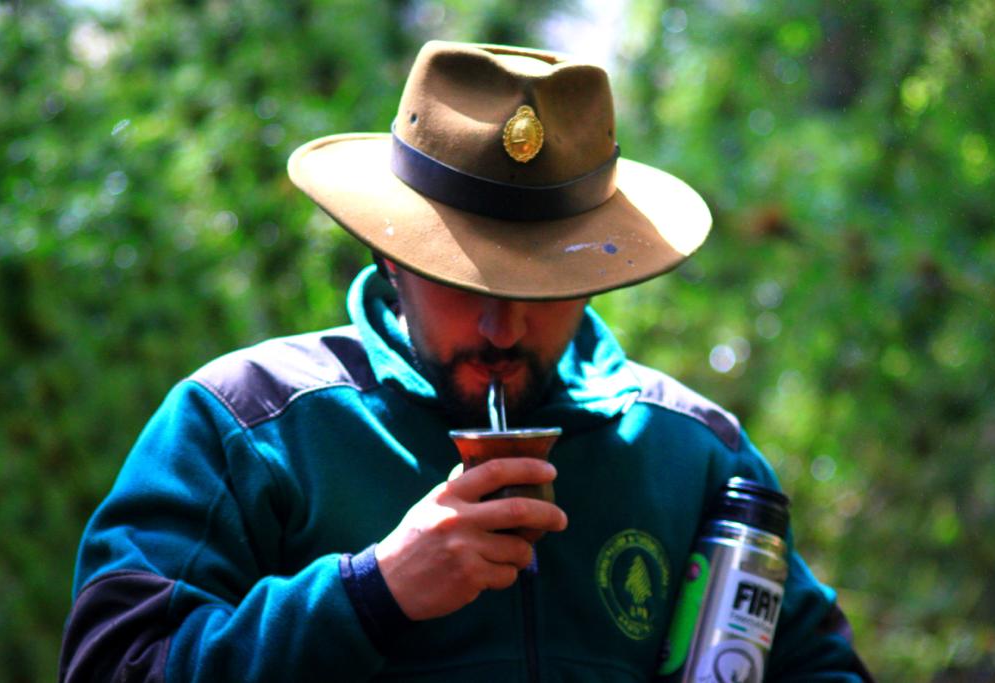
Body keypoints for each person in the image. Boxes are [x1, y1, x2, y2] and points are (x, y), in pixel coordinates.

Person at [59, 41, 871, 681]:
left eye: (545, 283)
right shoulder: (246, 424)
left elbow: (819, 666)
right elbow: (111, 663)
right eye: (460, 278)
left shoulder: (694, 454)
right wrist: (370, 595)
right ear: (391, 257)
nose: (502, 324)